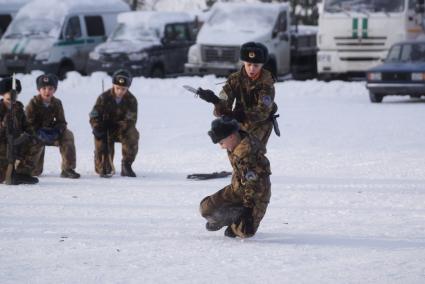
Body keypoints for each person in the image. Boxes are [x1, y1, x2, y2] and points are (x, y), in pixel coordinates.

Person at [199, 116, 271, 238]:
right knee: (205, 209)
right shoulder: (237, 140)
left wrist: (248, 210)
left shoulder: (247, 156)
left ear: (231, 136)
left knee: (244, 231)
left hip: (256, 195)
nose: (222, 147)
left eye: (222, 142)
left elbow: (253, 185)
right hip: (236, 189)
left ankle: (237, 219)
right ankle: (230, 216)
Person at [197, 41, 278, 147]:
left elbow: (263, 112)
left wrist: (241, 114)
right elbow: (224, 109)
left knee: (249, 153)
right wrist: (215, 101)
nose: (252, 69)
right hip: (238, 122)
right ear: (243, 62)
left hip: (260, 124)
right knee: (231, 148)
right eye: (249, 64)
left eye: (256, 65)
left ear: (262, 65)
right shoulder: (234, 79)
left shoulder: (266, 82)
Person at [26, 74, 80, 179]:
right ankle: (29, 167)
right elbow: (27, 125)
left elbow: (62, 122)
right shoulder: (33, 103)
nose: (47, 91)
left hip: (51, 133)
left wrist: (57, 131)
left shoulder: (57, 103)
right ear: (39, 90)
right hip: (37, 134)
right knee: (35, 172)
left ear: (54, 90)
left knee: (68, 135)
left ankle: (68, 169)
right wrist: (38, 132)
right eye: (44, 88)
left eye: (50, 88)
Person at [89, 69, 139, 178]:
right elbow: (93, 114)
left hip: (121, 131)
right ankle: (101, 160)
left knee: (133, 133)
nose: (120, 91)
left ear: (128, 88)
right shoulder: (103, 97)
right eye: (117, 88)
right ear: (113, 85)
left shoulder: (132, 100)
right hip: (105, 131)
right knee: (104, 170)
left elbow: (131, 121)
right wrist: (97, 126)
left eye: (123, 89)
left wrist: (115, 124)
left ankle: (126, 165)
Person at [0, 77, 38, 184]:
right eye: (8, 92)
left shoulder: (19, 109)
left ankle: (22, 173)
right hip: (2, 146)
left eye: (15, 93)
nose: (12, 95)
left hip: (16, 143)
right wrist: (4, 124)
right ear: (2, 94)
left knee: (34, 142)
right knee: (2, 176)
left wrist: (31, 135)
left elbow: (27, 125)